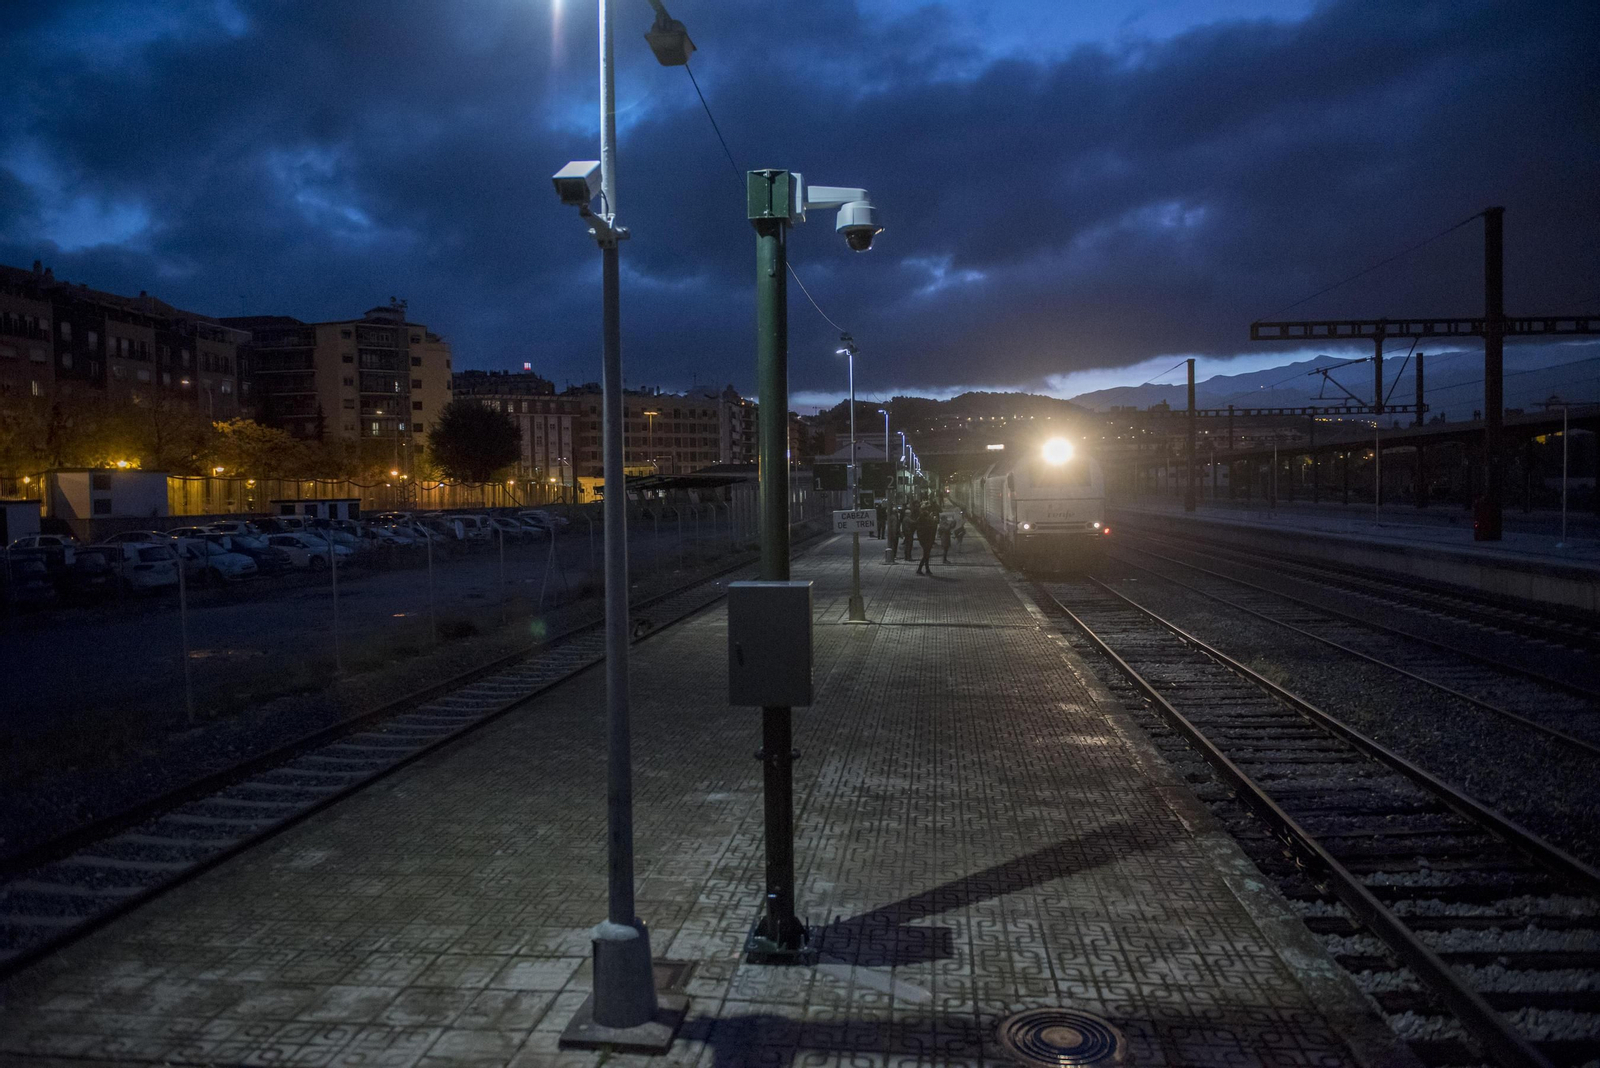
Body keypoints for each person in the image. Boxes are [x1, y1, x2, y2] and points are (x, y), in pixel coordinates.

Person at [915, 506, 937, 575]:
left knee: (926, 554)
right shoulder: (924, 521)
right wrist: (933, 521)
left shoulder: (921, 520)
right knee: (926, 554)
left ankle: (927, 569)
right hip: (926, 539)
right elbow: (931, 528)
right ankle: (920, 568)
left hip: (925, 539)